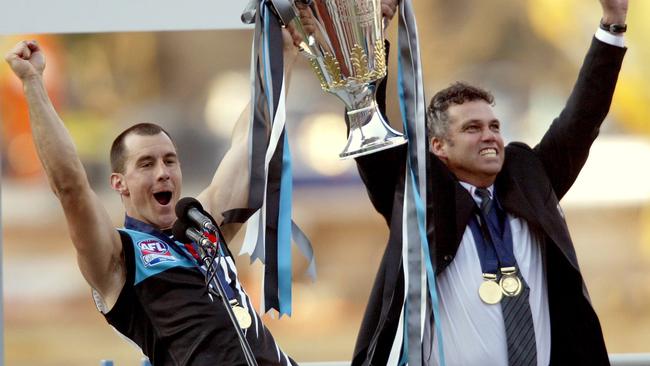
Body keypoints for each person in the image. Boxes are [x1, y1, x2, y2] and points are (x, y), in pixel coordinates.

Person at [351, 0, 628, 365]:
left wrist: (613, 24)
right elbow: (370, 132)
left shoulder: (529, 181)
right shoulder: (417, 197)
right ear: (438, 147)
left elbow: (582, 119)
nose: (490, 136)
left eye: (494, 126)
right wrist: (375, 32)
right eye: (472, 128)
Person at [4, 34, 299, 365]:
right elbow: (70, 186)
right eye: (146, 164)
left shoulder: (202, 225)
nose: (163, 172)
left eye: (169, 160)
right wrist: (32, 83)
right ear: (120, 183)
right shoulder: (118, 256)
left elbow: (252, 141)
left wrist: (284, 54)